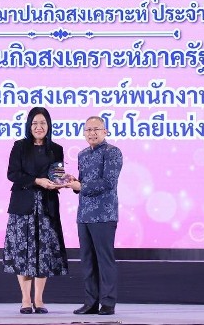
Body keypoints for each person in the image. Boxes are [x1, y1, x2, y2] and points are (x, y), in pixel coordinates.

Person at [3, 107, 68, 314]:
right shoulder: (20, 146)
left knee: (43, 253)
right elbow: (12, 174)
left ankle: (39, 299)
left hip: (47, 206)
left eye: (42, 123)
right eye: (35, 123)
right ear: (29, 126)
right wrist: (37, 181)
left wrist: (60, 182)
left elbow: (57, 174)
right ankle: (25, 299)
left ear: (49, 125)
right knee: (23, 253)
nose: (39, 127)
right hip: (23, 206)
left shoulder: (56, 149)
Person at [66, 116, 123, 316]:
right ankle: (90, 302)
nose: (92, 133)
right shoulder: (82, 154)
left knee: (104, 260)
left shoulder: (112, 152)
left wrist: (81, 186)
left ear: (105, 131)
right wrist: (73, 182)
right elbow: (83, 184)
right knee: (87, 261)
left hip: (104, 214)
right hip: (84, 215)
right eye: (88, 130)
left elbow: (108, 182)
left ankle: (107, 303)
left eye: (96, 129)